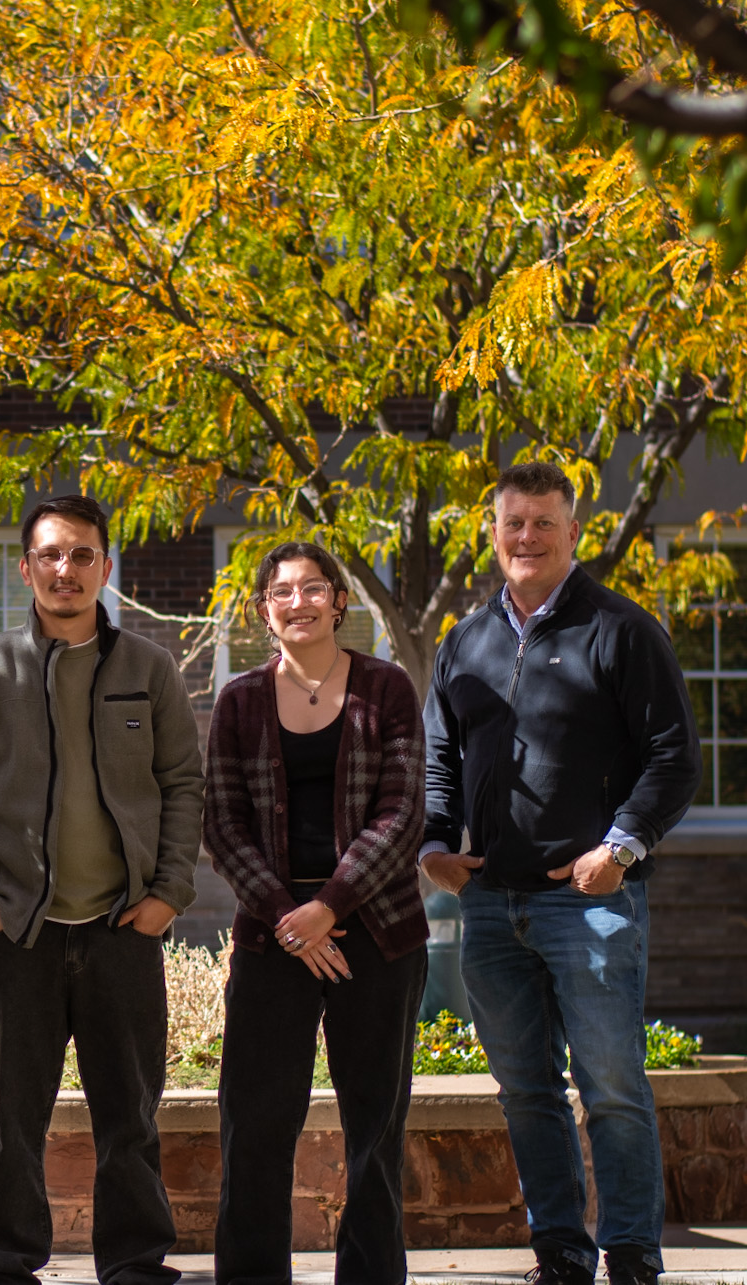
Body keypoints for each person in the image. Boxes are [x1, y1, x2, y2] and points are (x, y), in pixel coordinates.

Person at [421, 462, 700, 1285]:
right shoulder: (465, 640)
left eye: (544, 522)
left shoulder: (620, 629)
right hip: (491, 903)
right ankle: (561, 1255)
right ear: (493, 531)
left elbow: (673, 757)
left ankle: (634, 1258)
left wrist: (620, 848)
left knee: (610, 1085)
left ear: (574, 529)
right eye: (514, 522)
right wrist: (436, 844)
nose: (527, 537)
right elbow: (440, 755)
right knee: (526, 1090)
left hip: (591, 904)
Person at [0, 492, 203, 1285]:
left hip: (124, 925)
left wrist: (168, 894)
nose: (66, 569)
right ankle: (7, 1260)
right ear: (26, 568)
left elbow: (183, 783)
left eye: (83, 554)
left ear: (105, 568)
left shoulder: (146, 668)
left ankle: (133, 1260)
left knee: (131, 1114)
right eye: (50, 554)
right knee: (12, 1118)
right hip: (18, 929)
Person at [203, 542, 429, 1285]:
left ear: (338, 600)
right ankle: (252, 1275)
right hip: (275, 937)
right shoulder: (239, 699)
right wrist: (287, 917)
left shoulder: (386, 688)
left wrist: (328, 908)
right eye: (281, 591)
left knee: (376, 1124)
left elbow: (402, 812)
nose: (298, 602)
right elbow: (223, 822)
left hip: (376, 929)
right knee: (256, 1123)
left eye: (313, 588)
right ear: (264, 610)